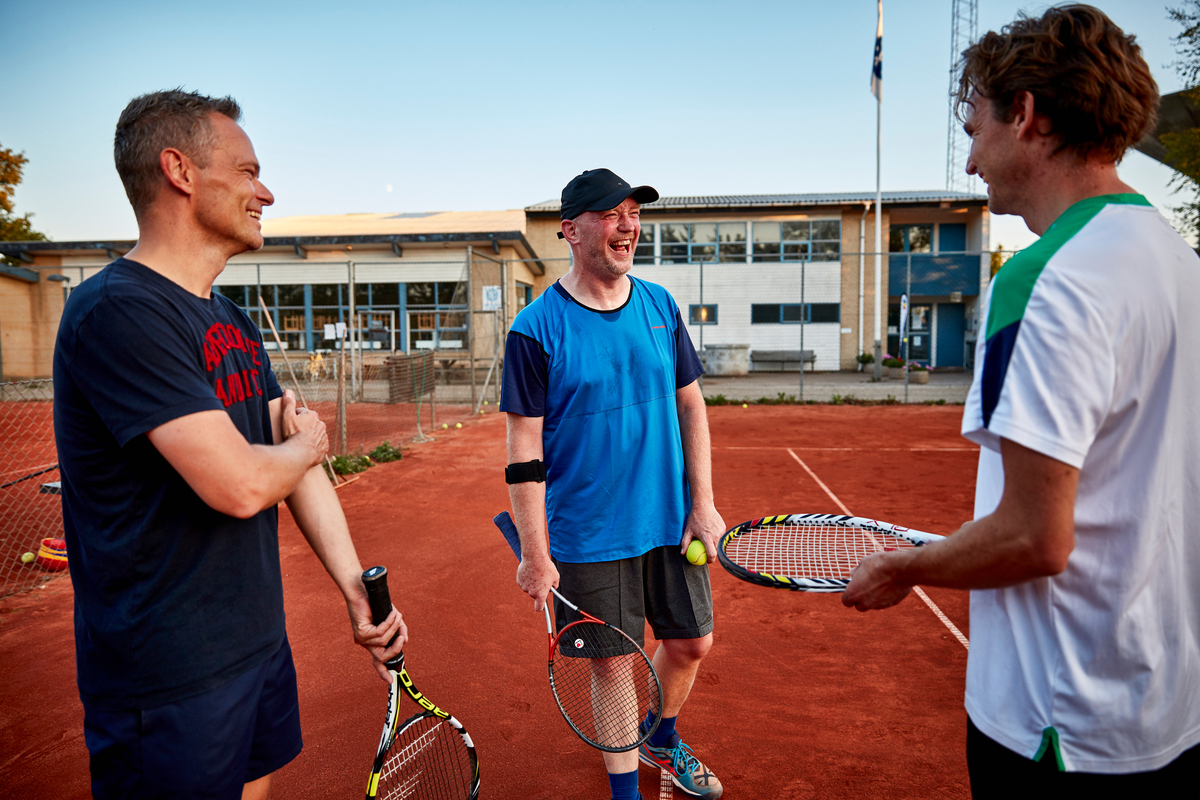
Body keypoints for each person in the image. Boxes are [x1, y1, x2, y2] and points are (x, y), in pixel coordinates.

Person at [841, 5, 1200, 794]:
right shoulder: (1181, 265)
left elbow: (1036, 537)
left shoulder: (1042, 279)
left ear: (1028, 116)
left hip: (1055, 723)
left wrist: (909, 566)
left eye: (975, 131)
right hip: (1165, 707)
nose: (971, 163)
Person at [53, 90, 406, 800]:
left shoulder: (230, 316)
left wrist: (352, 591)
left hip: (255, 643)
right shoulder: (120, 311)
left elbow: (290, 457)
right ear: (180, 170)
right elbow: (242, 482)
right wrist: (304, 446)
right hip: (167, 671)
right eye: (247, 171)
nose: (264, 191)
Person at [500, 168, 725, 800]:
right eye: (611, 214)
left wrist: (702, 504)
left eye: (633, 213)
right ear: (571, 231)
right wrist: (535, 554)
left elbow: (691, 405)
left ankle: (662, 735)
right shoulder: (534, 329)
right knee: (612, 662)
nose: (627, 226)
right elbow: (523, 450)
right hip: (589, 529)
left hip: (669, 516)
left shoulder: (660, 305)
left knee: (692, 643)